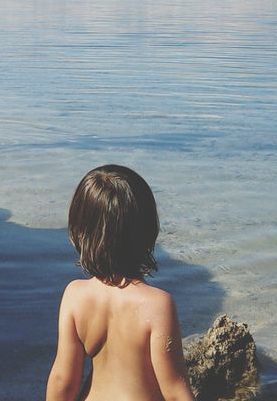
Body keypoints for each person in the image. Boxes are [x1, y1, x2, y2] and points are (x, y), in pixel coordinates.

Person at [46, 165, 194, 401]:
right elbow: (176, 392)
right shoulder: (157, 306)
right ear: (147, 230)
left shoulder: (75, 296)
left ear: (79, 231)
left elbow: (63, 382)